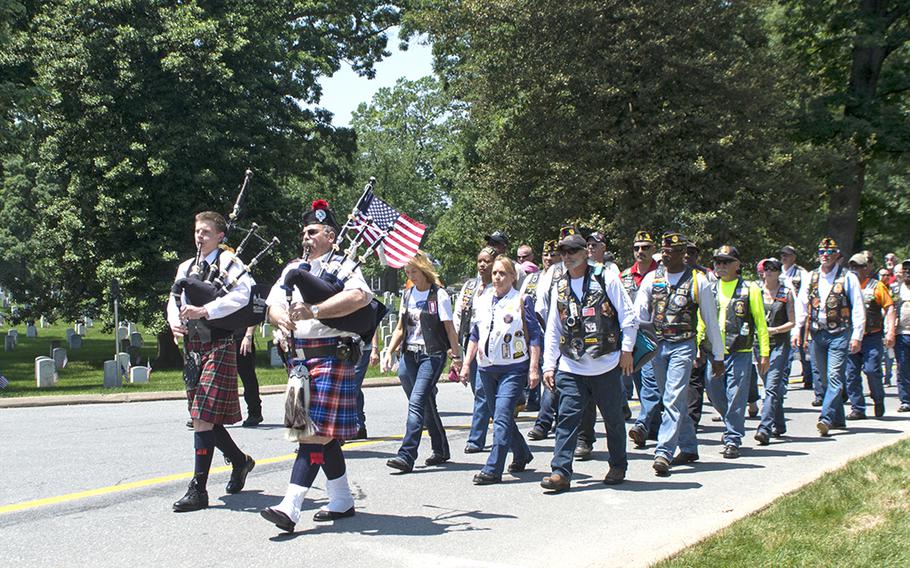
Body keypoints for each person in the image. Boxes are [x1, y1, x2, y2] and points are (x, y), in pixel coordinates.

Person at [260, 200, 372, 532]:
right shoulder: (292, 268)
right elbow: (273, 304)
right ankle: (341, 499)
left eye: (312, 232)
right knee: (314, 434)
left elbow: (360, 298)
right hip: (298, 361)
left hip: (330, 356)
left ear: (330, 235)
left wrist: (316, 310)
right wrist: (279, 317)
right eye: (303, 233)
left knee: (313, 435)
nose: (305, 238)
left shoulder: (344, 266)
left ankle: (290, 507)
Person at [167, 211, 256, 512]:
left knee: (202, 417)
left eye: (206, 232)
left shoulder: (231, 264)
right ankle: (241, 461)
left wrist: (207, 310)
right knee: (202, 416)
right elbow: (174, 297)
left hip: (219, 343)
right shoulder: (186, 266)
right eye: (197, 231)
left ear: (220, 236)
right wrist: (174, 322)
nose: (199, 236)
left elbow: (243, 295)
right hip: (193, 347)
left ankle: (198, 489)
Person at [539, 233, 637, 492]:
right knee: (567, 418)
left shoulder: (605, 277)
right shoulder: (559, 285)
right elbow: (553, 328)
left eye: (572, 251)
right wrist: (549, 365)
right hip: (571, 365)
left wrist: (626, 350)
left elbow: (628, 316)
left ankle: (617, 464)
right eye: (563, 252)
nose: (567, 256)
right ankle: (560, 471)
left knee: (613, 418)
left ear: (586, 252)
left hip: (606, 363)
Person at [634, 233, 725, 475]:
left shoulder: (699, 281)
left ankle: (663, 452)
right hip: (658, 346)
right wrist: (633, 346)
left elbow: (711, 321)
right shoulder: (652, 279)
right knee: (669, 397)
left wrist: (718, 355)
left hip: (683, 346)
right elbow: (639, 314)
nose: (665, 255)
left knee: (672, 398)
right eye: (663, 250)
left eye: (670, 251)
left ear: (682, 253)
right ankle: (688, 445)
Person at [461, 256, 541, 484]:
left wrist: (533, 369)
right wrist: (467, 364)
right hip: (487, 367)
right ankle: (523, 453)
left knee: (502, 416)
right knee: (500, 415)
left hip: (513, 368)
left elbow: (534, 337)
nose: (497, 277)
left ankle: (493, 467)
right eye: (495, 273)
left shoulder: (521, 300)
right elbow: (475, 334)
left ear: (513, 277)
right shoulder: (483, 299)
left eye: (502, 273)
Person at [383, 252, 462, 472]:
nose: (411, 276)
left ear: (424, 270)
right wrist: (389, 351)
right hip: (410, 355)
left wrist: (456, 357)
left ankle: (407, 455)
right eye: (407, 272)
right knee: (425, 403)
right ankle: (441, 449)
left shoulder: (440, 295)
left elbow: (449, 329)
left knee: (416, 402)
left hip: (432, 355)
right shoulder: (407, 295)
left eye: (414, 271)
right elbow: (401, 328)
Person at [701, 246, 770, 458]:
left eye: (725, 262)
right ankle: (731, 423)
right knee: (713, 390)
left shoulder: (750, 289)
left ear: (737, 265)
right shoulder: (709, 288)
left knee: (736, 395)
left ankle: (733, 438)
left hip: (741, 350)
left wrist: (764, 352)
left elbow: (760, 322)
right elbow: (702, 320)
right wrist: (697, 345)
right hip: (715, 351)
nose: (720, 266)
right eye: (717, 262)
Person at [793, 237, 865, 437]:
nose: (825, 255)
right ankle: (839, 418)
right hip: (817, 333)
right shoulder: (811, 276)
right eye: (821, 252)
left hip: (840, 333)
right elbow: (801, 304)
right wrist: (798, 330)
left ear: (837, 255)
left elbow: (858, 306)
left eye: (829, 252)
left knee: (834, 376)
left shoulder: (848, 277)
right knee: (823, 379)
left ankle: (825, 418)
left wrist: (857, 335)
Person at [621, 231, 663, 449]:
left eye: (645, 247)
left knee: (650, 384)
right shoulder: (625, 276)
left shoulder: (662, 275)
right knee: (638, 381)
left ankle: (641, 424)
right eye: (637, 247)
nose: (640, 251)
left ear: (653, 249)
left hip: (656, 336)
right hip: (632, 336)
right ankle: (652, 426)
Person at [454, 247, 496, 453]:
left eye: (487, 261)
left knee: (482, 391)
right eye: (479, 260)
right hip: (470, 343)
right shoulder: (470, 286)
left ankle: (475, 439)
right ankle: (504, 432)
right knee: (482, 393)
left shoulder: (501, 287)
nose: (482, 265)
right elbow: (458, 315)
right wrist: (453, 345)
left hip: (493, 347)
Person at [844, 253, 895, 419]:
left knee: (872, 369)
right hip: (851, 336)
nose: (855, 270)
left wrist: (890, 331)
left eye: (858, 266)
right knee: (851, 373)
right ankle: (857, 407)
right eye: (852, 267)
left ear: (866, 268)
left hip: (872, 336)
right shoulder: (844, 286)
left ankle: (878, 399)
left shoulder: (877, 286)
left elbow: (889, 308)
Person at [527, 239, 564, 440]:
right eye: (546, 254)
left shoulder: (562, 276)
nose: (549, 258)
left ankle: (543, 422)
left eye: (553, 255)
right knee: (547, 379)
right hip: (537, 336)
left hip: (560, 335)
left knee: (552, 379)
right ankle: (554, 419)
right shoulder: (532, 279)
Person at [780, 245, 813, 392]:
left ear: (794, 257)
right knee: (787, 351)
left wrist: (802, 318)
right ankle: (783, 381)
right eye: (782, 255)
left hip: (799, 314)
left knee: (802, 348)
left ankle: (808, 377)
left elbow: (804, 297)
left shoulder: (802, 273)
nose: (784, 257)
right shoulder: (777, 271)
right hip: (782, 315)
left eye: (787, 255)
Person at [349, 332, 379, 440]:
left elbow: (374, 325)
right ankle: (360, 426)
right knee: (353, 387)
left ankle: (351, 426)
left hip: (363, 348)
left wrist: (375, 350)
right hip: (346, 346)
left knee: (352, 387)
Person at [236, 325, 263, 427]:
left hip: (242, 339)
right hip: (223, 339)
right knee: (218, 378)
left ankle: (255, 413)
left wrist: (248, 336)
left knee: (248, 377)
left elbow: (253, 316)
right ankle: (209, 416)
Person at [894, 260, 910, 412]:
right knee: (903, 367)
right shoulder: (896, 290)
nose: (907, 272)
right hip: (902, 334)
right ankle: (906, 400)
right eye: (905, 269)